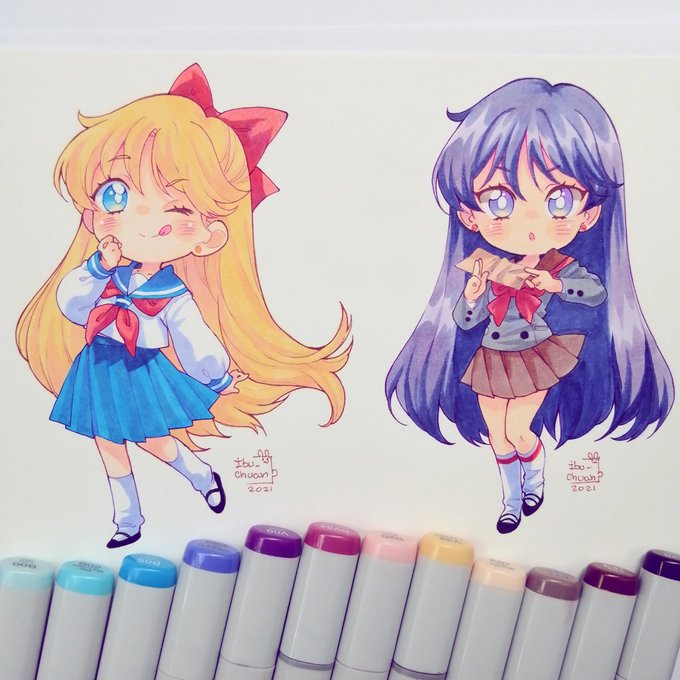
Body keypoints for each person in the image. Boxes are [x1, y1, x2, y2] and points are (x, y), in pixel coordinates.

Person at [17, 64, 351, 547]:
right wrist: (97, 267)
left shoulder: (172, 295)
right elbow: (71, 305)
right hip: (99, 363)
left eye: (176, 209)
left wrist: (214, 376)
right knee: (107, 442)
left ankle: (199, 474)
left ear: (209, 236)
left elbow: (194, 338)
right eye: (116, 193)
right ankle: (128, 520)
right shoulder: (103, 271)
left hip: (142, 369)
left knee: (153, 439)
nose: (139, 216)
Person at [386, 78, 673, 533]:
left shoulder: (561, 265)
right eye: (499, 200)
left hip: (536, 355)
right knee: (497, 436)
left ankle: (534, 482)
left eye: (560, 200)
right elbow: (466, 320)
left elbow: (593, 293)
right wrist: (474, 293)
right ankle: (510, 502)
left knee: (518, 431)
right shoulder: (489, 266)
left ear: (589, 214)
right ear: (469, 215)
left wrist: (552, 283)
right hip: (491, 356)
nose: (532, 221)